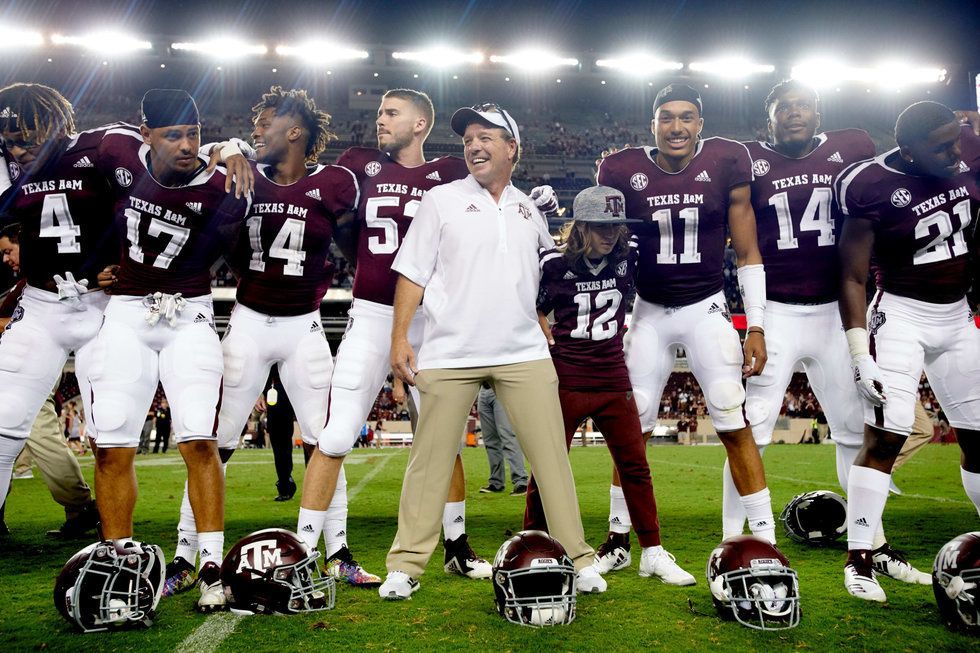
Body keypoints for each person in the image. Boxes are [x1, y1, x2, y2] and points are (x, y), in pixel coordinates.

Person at [298, 89, 557, 582]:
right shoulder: (358, 165)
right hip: (374, 316)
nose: (379, 121)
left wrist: (539, 202)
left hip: (432, 321)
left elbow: (499, 196)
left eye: (390, 113)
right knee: (333, 435)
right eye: (379, 113)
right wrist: (229, 152)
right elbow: (303, 181)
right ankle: (308, 549)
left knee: (442, 442)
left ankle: (456, 545)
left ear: (420, 124)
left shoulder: (448, 175)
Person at [382, 102, 604, 600]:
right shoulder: (440, 200)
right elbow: (412, 273)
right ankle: (407, 563)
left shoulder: (528, 208)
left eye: (487, 137)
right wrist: (400, 339)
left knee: (551, 460)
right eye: (468, 139)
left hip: (522, 349)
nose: (474, 146)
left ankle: (579, 556)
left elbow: (541, 276)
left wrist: (544, 318)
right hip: (449, 351)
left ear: (512, 148)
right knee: (429, 461)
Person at [163, 86, 378, 592]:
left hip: (305, 326)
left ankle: (337, 551)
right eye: (254, 125)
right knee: (214, 443)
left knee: (328, 439)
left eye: (264, 121)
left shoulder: (334, 183)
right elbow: (211, 154)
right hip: (249, 322)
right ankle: (185, 553)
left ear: (295, 131)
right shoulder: (244, 173)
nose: (256, 130)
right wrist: (230, 145)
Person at [736, 79, 928, 584]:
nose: (794, 114)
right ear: (768, 116)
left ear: (818, 111)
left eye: (803, 106)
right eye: (784, 108)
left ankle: (873, 542)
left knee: (854, 428)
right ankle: (739, 543)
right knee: (750, 429)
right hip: (775, 309)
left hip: (836, 312)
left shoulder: (855, 147)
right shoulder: (747, 159)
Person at [595, 84, 776, 566]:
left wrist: (755, 324)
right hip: (649, 309)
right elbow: (607, 251)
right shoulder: (620, 169)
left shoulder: (726, 161)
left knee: (729, 412)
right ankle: (618, 538)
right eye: (667, 118)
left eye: (687, 118)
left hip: (706, 306)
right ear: (652, 124)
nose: (677, 127)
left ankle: (764, 538)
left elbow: (748, 251)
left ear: (701, 123)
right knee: (634, 423)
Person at [86, 89, 250, 612]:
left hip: (190, 312)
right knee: (113, 445)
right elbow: (68, 194)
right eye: (174, 135)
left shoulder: (223, 181)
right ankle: (119, 564)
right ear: (146, 134)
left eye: (195, 134)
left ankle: (209, 568)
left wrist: (233, 147)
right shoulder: (115, 151)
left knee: (199, 440)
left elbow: (237, 241)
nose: (187, 146)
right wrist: (94, 263)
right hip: (127, 313)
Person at [835, 100, 980, 601]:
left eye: (957, 139)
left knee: (979, 442)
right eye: (942, 146)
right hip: (901, 315)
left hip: (959, 316)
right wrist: (859, 351)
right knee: (887, 436)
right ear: (910, 149)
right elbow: (852, 275)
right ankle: (859, 561)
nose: (956, 152)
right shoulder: (871, 185)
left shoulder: (969, 154)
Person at [526, 185, 695, 586]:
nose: (611, 233)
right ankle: (532, 545)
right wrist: (544, 336)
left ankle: (652, 551)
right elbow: (528, 306)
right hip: (567, 379)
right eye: (602, 226)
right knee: (547, 469)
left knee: (635, 466)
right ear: (580, 227)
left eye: (616, 225)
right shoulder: (553, 263)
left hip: (613, 377)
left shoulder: (628, 256)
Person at [0, 83, 117, 530]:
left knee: (112, 428)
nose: (18, 149)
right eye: (10, 140)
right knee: (5, 418)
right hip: (42, 301)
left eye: (27, 137)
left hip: (102, 303)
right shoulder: (7, 166)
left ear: (54, 123)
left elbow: (157, 189)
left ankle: (113, 533)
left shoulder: (103, 147)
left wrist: (232, 146)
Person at [477, 382, 528, 495]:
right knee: (490, 441)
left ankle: (521, 481)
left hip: (501, 388)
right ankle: (496, 482)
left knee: (508, 437)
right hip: (483, 390)